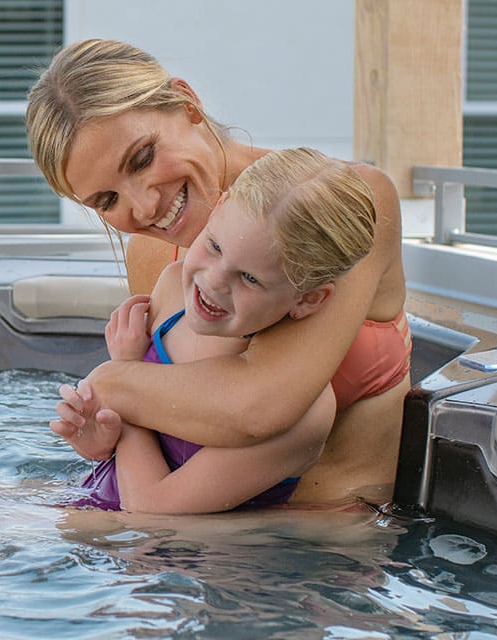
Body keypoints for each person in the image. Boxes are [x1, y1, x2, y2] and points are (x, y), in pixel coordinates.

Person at [26, 39, 411, 505]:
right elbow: (166, 429)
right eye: (107, 201)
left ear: (187, 104)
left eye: (143, 157)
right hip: (191, 526)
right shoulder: (153, 255)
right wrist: (103, 431)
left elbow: (258, 407)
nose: (145, 207)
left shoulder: (346, 207)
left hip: (328, 540)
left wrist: (112, 382)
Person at [65, 148, 376, 514]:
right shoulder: (170, 291)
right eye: (214, 245)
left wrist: (128, 374)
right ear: (218, 207)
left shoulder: (302, 418)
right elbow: (117, 453)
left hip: (174, 558)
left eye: (249, 278)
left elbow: (148, 509)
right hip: (103, 512)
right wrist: (97, 436)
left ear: (308, 300)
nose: (212, 282)